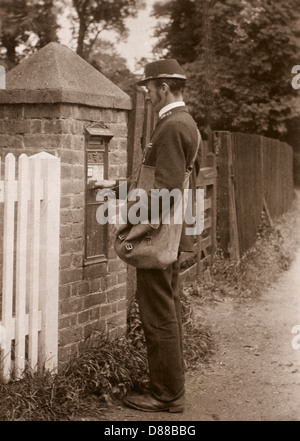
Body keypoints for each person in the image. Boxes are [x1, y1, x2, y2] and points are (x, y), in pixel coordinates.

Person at [110, 59, 202, 413]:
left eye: (149, 88)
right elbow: (162, 182)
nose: (146, 95)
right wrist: (116, 188)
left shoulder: (172, 126)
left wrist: (132, 228)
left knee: (158, 315)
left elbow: (161, 193)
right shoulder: (184, 123)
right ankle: (169, 388)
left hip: (159, 239)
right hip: (172, 236)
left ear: (163, 87)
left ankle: (166, 396)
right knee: (167, 311)